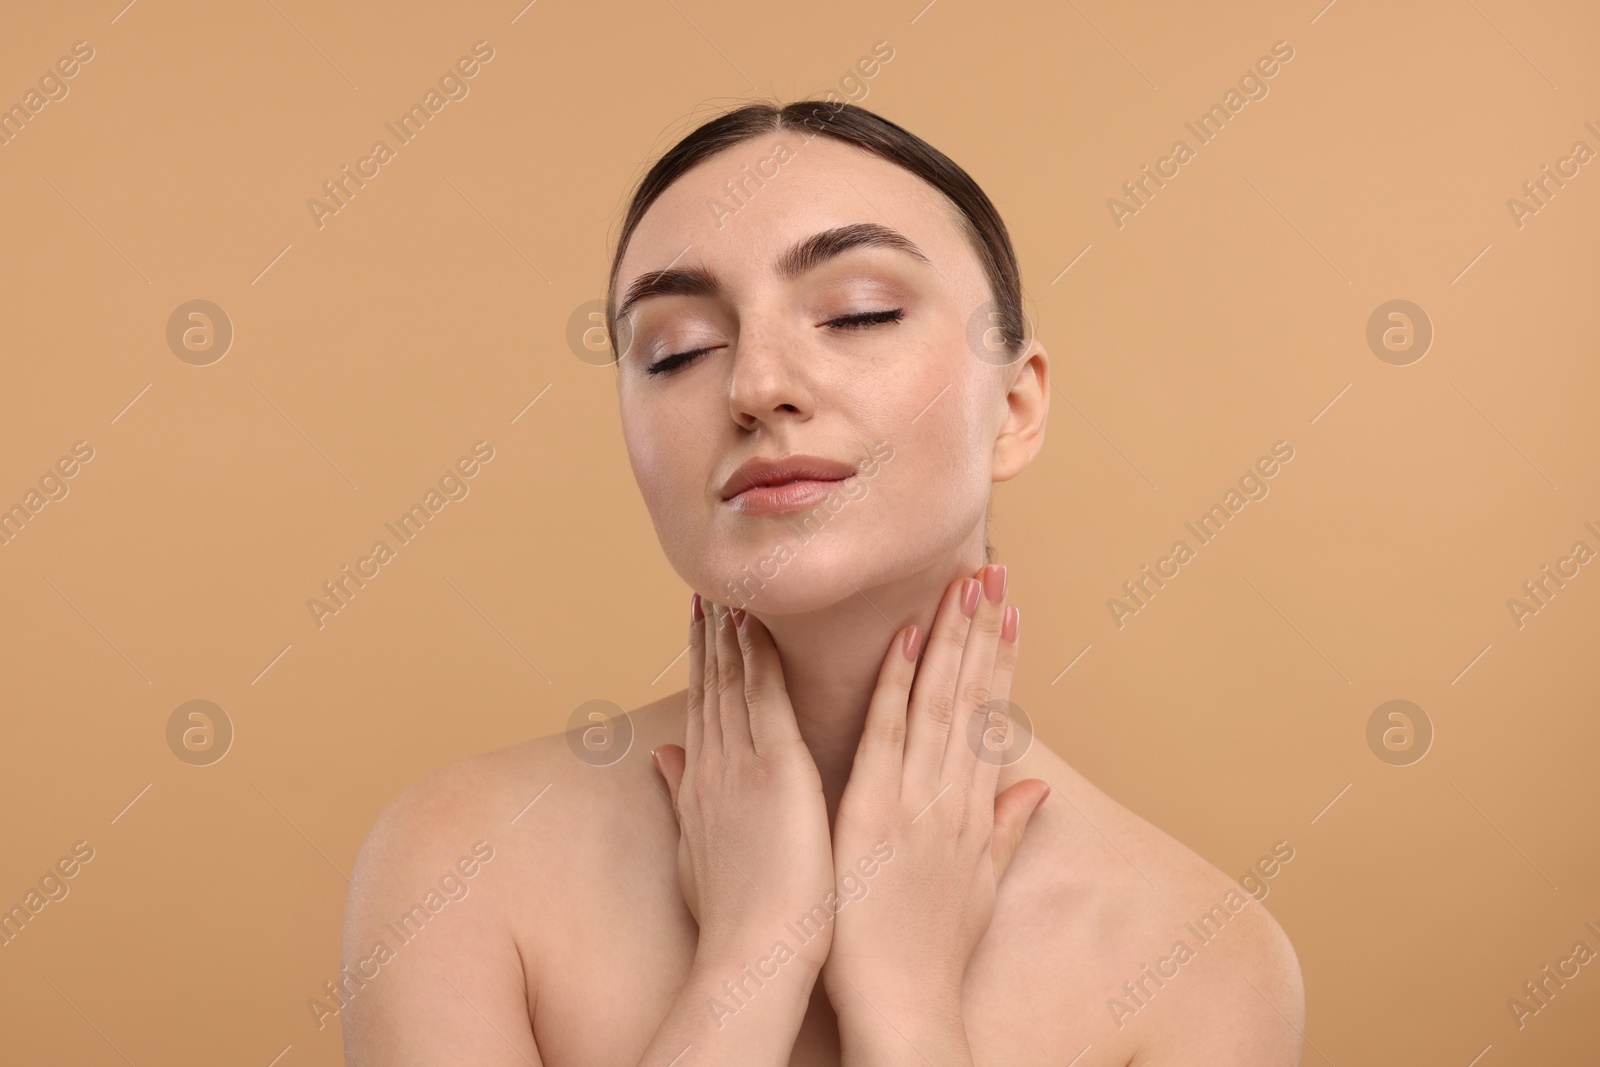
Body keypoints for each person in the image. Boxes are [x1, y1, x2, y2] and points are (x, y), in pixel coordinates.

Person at [340, 100, 1304, 1066]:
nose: (757, 385)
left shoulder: (1202, 961)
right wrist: (750, 960)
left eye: (858, 313)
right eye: (675, 349)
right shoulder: (458, 864)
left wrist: (907, 998)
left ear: (1014, 405)